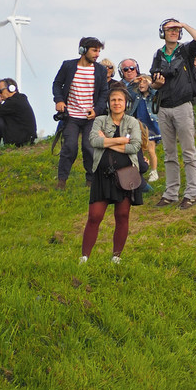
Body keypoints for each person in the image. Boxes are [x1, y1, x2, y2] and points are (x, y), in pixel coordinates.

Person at [80, 85, 143, 264]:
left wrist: (106, 141)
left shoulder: (132, 122)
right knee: (95, 216)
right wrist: (121, 140)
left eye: (120, 100)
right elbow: (93, 140)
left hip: (126, 174)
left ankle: (116, 257)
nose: (116, 103)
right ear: (109, 103)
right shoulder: (100, 120)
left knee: (122, 215)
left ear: (126, 103)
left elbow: (135, 146)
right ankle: (84, 257)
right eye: (113, 100)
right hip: (102, 174)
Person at [149, 19, 196, 209]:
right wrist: (156, 84)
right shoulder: (158, 55)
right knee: (169, 153)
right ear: (162, 32)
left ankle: (191, 193)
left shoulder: (186, 50)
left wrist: (184, 25)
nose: (173, 32)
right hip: (164, 107)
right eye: (169, 29)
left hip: (182, 105)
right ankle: (171, 193)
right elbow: (154, 82)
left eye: (176, 30)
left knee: (189, 152)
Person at [53, 36, 109, 189]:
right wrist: (59, 100)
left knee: (89, 147)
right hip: (71, 116)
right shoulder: (68, 66)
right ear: (83, 50)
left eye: (99, 51)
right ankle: (61, 181)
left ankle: (91, 182)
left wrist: (97, 110)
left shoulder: (100, 70)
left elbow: (104, 92)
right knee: (69, 147)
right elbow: (57, 84)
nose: (97, 54)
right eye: (94, 50)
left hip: (91, 117)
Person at [0, 78, 36, 147]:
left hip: (20, 139)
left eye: (0, 91)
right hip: (25, 137)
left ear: (11, 88)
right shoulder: (20, 99)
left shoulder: (13, 102)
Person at [131, 74, 161, 183]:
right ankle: (141, 170)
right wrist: (134, 82)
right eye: (140, 83)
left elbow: (155, 91)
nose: (141, 84)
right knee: (140, 151)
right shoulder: (137, 97)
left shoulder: (153, 96)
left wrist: (149, 83)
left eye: (144, 82)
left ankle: (154, 171)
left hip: (151, 126)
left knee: (150, 149)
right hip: (139, 126)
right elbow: (128, 91)